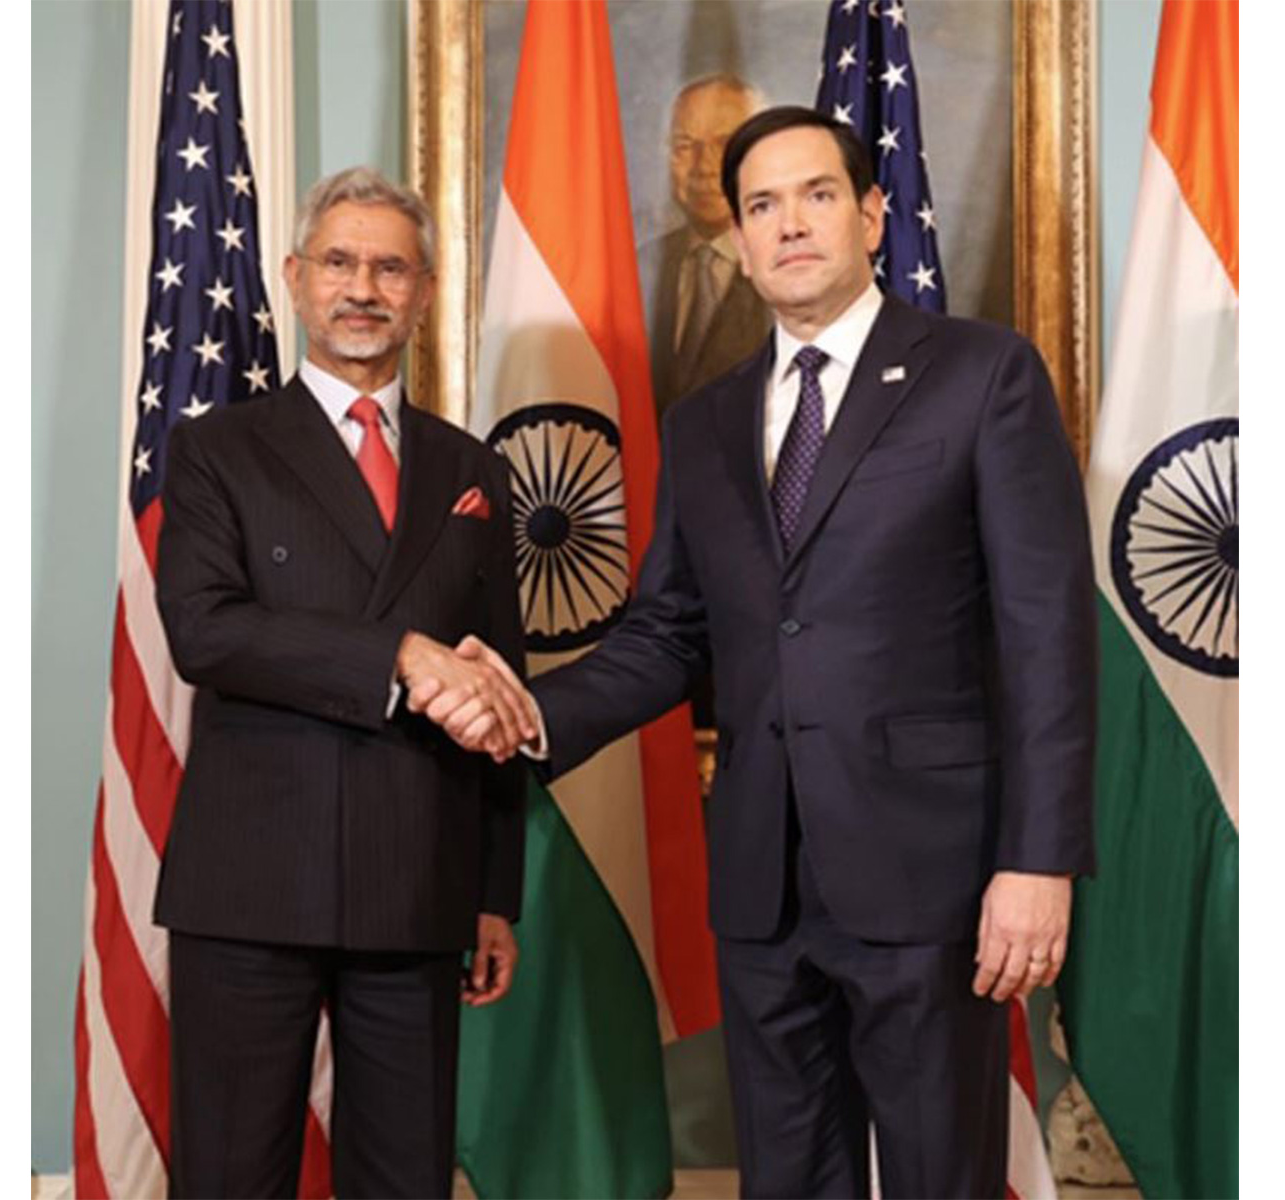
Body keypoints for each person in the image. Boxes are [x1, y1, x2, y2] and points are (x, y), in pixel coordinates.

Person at [447, 108, 1097, 1198]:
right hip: (761, 882)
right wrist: (528, 714)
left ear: (871, 214)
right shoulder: (704, 422)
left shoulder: (983, 375)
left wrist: (1037, 864)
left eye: (817, 195)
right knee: (787, 1179)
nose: (789, 224)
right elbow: (671, 629)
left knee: (943, 1174)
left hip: (931, 878)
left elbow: (1046, 636)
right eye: (761, 205)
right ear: (739, 241)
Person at [152, 166, 537, 1199]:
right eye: (338, 261)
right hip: (248, 882)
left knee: (405, 1180)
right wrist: (397, 656)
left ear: (422, 290)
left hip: (418, 878)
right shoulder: (213, 449)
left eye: (388, 267)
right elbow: (206, 632)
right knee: (231, 1176)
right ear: (293, 277)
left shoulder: (474, 471)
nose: (361, 286)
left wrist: (494, 891)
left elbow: (500, 684)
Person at [643, 73, 773, 422]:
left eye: (724, 143)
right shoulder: (635, 269)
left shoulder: (795, 265)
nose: (703, 166)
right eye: (685, 146)